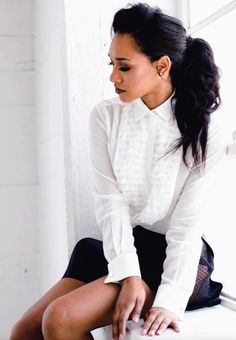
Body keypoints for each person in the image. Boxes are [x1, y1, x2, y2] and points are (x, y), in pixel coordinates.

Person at [10, 3, 224, 340]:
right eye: (112, 64)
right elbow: (110, 204)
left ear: (162, 66)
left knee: (60, 320)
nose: (113, 77)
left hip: (174, 257)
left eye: (124, 67)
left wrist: (168, 302)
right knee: (23, 331)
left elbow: (186, 229)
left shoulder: (203, 131)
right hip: (129, 245)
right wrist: (128, 275)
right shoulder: (105, 118)